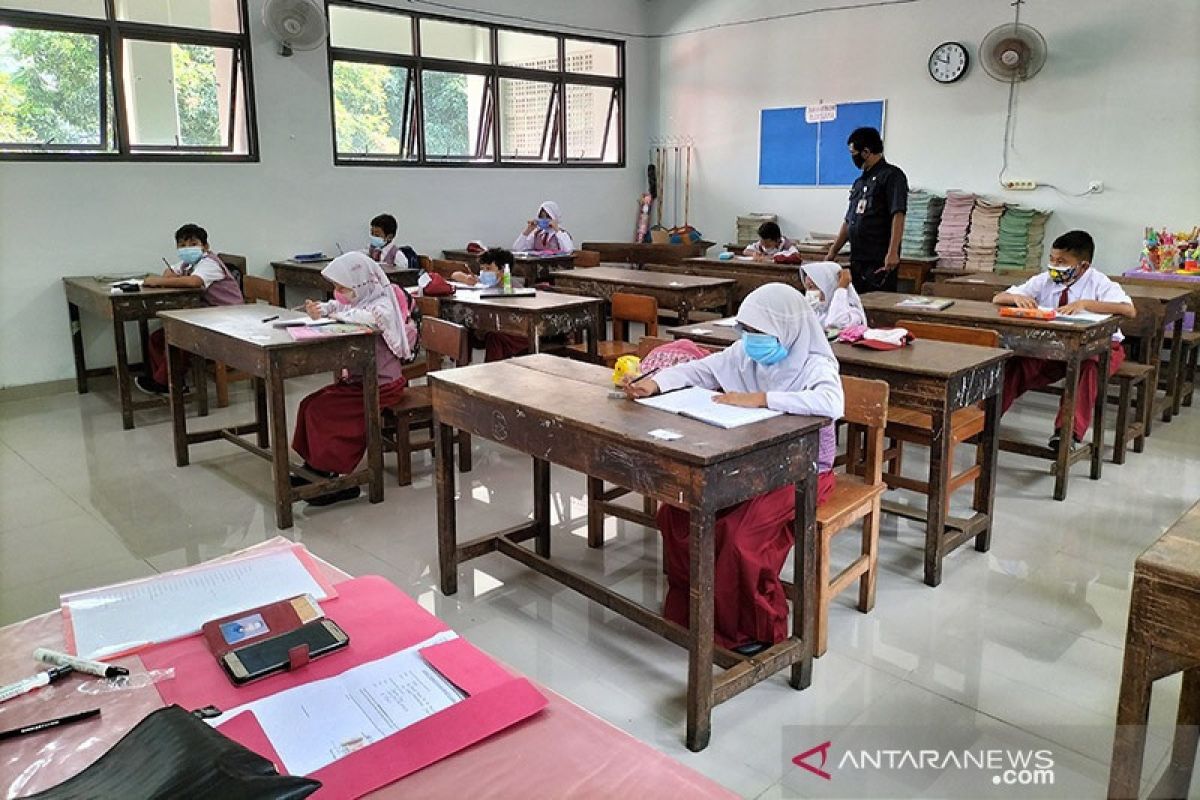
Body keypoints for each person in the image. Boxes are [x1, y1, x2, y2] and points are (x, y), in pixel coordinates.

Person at [624, 283, 844, 655]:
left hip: (803, 471)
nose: (750, 339)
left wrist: (760, 399)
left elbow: (831, 402)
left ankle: (751, 630)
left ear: (787, 330)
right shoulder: (745, 353)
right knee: (676, 514)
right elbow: (699, 369)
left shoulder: (814, 363)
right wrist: (654, 382)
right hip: (748, 462)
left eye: (760, 333)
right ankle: (694, 612)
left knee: (740, 534)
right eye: (747, 330)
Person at [291, 252, 416, 506]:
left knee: (325, 411)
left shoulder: (382, 304)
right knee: (309, 404)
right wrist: (322, 309)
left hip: (383, 385)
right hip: (361, 382)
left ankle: (337, 478)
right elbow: (339, 307)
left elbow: (367, 318)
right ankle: (315, 467)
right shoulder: (360, 299)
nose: (338, 292)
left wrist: (334, 315)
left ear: (360, 283)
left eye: (341, 287)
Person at [992, 230, 1135, 449]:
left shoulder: (1099, 282)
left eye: (1061, 262)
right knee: (1017, 364)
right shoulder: (1045, 280)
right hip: (1054, 347)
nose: (1054, 265)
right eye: (1052, 259)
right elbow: (998, 298)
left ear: (1083, 266)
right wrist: (1016, 297)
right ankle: (985, 418)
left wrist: (1086, 304)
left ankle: (1067, 433)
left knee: (1088, 368)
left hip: (1101, 348)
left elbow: (1128, 310)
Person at [136, 223, 243, 395]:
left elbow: (194, 282)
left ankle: (167, 383)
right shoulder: (189, 263)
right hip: (209, 316)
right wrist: (169, 276)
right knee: (158, 338)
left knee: (181, 337)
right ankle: (169, 381)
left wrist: (159, 281)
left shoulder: (210, 263)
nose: (187, 249)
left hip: (228, 318)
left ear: (205, 246)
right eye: (182, 245)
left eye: (193, 244)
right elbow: (169, 272)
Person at [825, 127, 908, 294]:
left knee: (877, 305)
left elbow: (898, 215)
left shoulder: (892, 176)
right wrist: (832, 252)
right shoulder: (860, 182)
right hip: (858, 258)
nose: (852, 157)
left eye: (853, 152)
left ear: (866, 152)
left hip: (879, 259)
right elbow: (849, 221)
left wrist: (892, 252)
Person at [800, 261, 866, 330]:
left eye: (819, 289)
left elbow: (835, 323)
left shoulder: (852, 312)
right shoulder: (818, 309)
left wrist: (841, 288)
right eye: (810, 288)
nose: (816, 295)